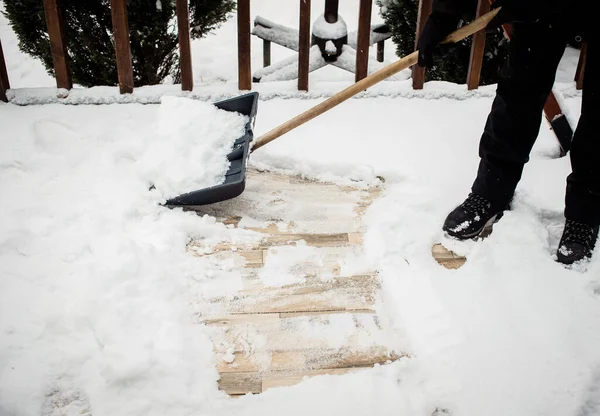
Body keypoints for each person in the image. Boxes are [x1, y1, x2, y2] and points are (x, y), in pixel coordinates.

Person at [417, 0, 597, 265]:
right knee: (516, 96)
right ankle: (491, 192)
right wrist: (444, 16)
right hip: (538, 11)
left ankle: (586, 212)